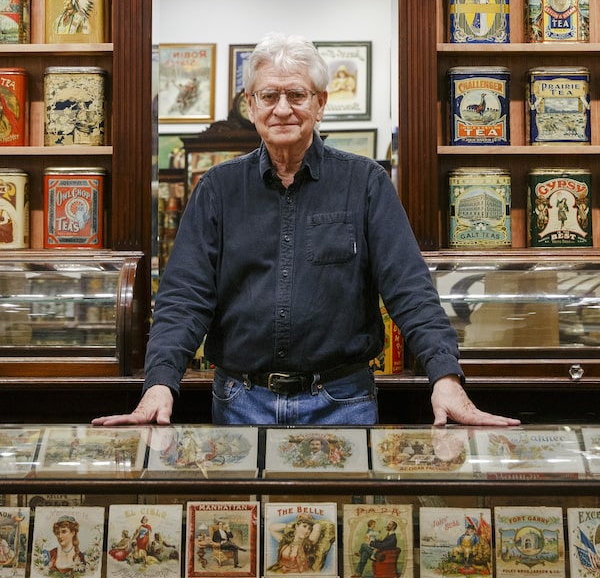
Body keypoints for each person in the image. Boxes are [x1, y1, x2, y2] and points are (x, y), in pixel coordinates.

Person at [92, 33, 520, 428]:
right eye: (269, 95)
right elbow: (184, 297)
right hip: (240, 402)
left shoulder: (365, 182)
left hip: (343, 402)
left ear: (320, 102)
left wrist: (444, 376)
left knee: (343, 516)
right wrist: (160, 383)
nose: (282, 108)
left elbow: (409, 288)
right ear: (251, 103)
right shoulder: (217, 190)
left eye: (297, 94)